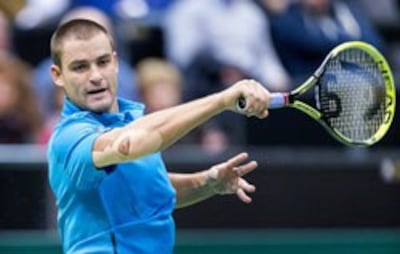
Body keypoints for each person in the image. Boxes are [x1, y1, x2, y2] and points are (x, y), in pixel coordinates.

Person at [47, 19, 271, 253]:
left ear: (115, 62)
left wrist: (208, 182)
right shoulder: (70, 136)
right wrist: (222, 100)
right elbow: (135, 143)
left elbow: (149, 189)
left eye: (102, 62)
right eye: (80, 67)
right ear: (58, 75)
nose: (95, 76)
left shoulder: (132, 119)